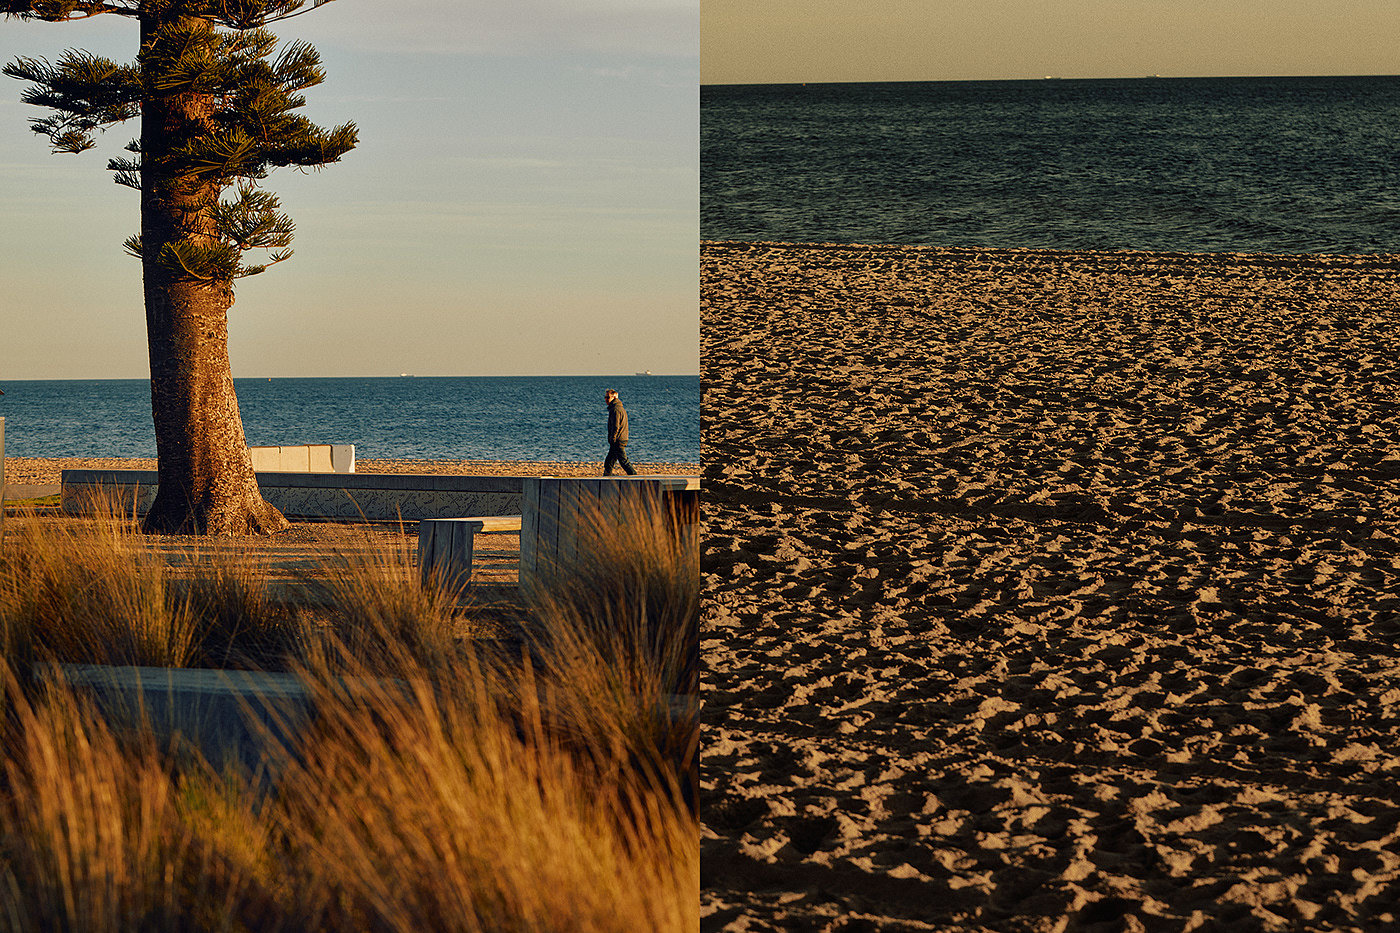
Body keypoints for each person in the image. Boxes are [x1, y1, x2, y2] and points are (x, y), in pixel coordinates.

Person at [603, 388, 638, 475]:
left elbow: (616, 426)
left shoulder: (616, 409)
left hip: (618, 440)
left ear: (614, 397)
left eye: (608, 397)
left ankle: (634, 476)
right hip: (619, 439)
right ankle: (607, 477)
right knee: (609, 462)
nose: (606, 399)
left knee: (623, 461)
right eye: (605, 397)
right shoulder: (617, 408)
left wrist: (613, 438)